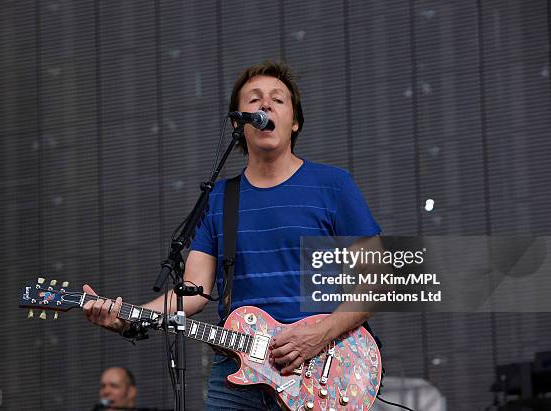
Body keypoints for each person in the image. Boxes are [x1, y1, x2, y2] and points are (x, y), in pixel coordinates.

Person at [83, 61, 382, 410]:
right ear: (239, 122)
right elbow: (192, 293)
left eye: (277, 100)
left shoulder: (333, 185)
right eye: (253, 100)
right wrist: (126, 317)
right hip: (236, 372)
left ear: (295, 121)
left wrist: (320, 334)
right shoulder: (221, 198)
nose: (265, 106)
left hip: (320, 368)